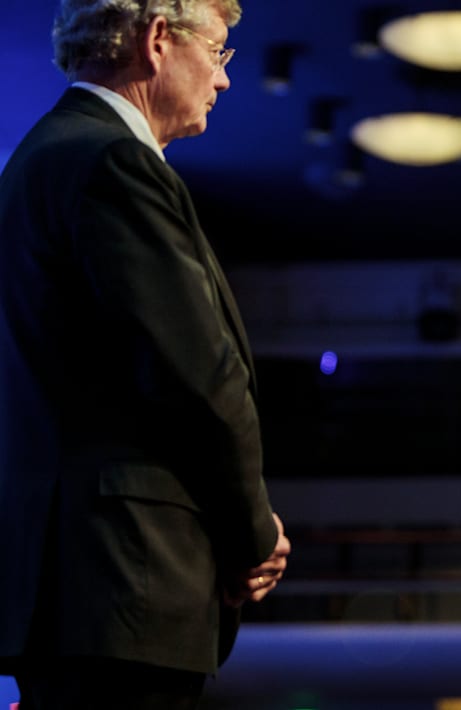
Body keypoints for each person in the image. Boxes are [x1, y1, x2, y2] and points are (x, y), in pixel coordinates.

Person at [0, 1, 288, 707]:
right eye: (218, 52)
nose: (224, 79)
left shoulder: (37, 162)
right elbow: (198, 377)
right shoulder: (111, 162)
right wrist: (254, 534)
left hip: (72, 589)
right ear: (159, 39)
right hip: (125, 579)